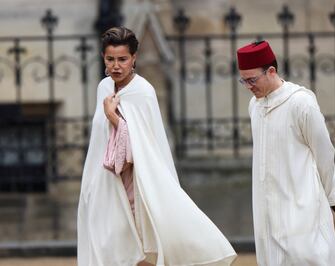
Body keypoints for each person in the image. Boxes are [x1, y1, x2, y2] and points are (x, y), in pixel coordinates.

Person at [77, 26, 236, 266]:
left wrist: (114, 118)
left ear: (134, 58)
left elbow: (144, 147)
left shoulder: (143, 92)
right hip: (106, 184)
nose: (116, 66)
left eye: (122, 59)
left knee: (138, 248)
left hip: (136, 185)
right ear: (103, 58)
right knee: (110, 248)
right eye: (110, 59)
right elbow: (98, 142)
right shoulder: (104, 88)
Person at [236, 40, 335, 265]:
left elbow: (324, 154)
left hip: (301, 206)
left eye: (252, 79)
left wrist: (330, 200)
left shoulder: (301, 103)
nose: (248, 86)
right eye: (243, 80)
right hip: (265, 209)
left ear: (271, 71)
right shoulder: (254, 106)